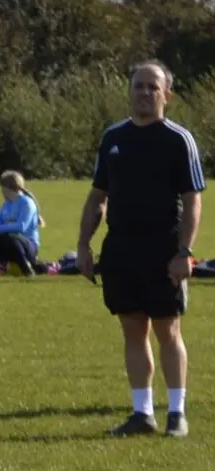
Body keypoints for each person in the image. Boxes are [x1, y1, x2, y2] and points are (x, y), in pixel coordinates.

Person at [76, 59, 205, 438]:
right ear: (129, 91)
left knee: (168, 330)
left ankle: (176, 414)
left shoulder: (177, 139)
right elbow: (98, 196)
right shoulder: (113, 138)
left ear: (167, 94)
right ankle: (141, 414)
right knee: (133, 330)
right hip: (121, 248)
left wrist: (184, 252)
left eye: (153, 87)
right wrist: (83, 245)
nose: (145, 93)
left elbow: (193, 200)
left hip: (163, 247)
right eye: (138, 86)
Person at [0, 171, 44, 276]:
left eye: (3, 189)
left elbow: (21, 227)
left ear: (9, 189)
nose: (2, 192)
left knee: (11, 236)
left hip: (28, 247)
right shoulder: (6, 204)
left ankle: (26, 268)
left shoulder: (27, 203)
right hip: (10, 244)